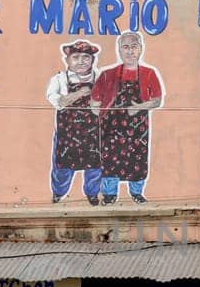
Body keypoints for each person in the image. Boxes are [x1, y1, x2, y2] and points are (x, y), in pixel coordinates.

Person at [90, 30, 164, 204]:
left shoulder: (149, 73)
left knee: (137, 159)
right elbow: (94, 101)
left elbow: (156, 101)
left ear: (141, 48)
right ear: (119, 50)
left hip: (138, 129)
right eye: (125, 47)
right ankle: (109, 195)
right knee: (110, 161)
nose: (130, 51)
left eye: (134, 47)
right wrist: (102, 118)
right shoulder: (107, 74)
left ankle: (136, 193)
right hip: (111, 129)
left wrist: (138, 107)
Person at [46, 38, 104, 205]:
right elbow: (58, 101)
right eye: (76, 57)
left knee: (94, 167)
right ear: (67, 60)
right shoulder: (59, 79)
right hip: (67, 134)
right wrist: (79, 93)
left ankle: (92, 195)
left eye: (86, 57)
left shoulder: (101, 77)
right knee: (62, 168)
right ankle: (58, 193)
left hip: (94, 133)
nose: (81, 61)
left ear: (92, 60)